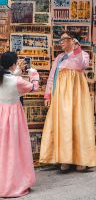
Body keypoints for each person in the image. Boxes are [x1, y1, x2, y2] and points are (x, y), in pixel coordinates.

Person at [0, 52, 40, 198]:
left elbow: (8, 80)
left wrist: (17, 71)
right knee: (13, 150)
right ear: (13, 64)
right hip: (12, 117)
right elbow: (33, 87)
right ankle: (13, 183)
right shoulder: (17, 81)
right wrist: (34, 74)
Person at [40, 33, 96, 172]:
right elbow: (52, 76)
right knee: (63, 123)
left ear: (73, 41)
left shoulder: (81, 54)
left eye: (64, 39)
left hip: (77, 94)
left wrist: (77, 49)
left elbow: (83, 64)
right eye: (61, 40)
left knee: (79, 122)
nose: (61, 42)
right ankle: (65, 159)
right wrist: (48, 95)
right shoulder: (59, 58)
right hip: (60, 95)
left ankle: (81, 159)